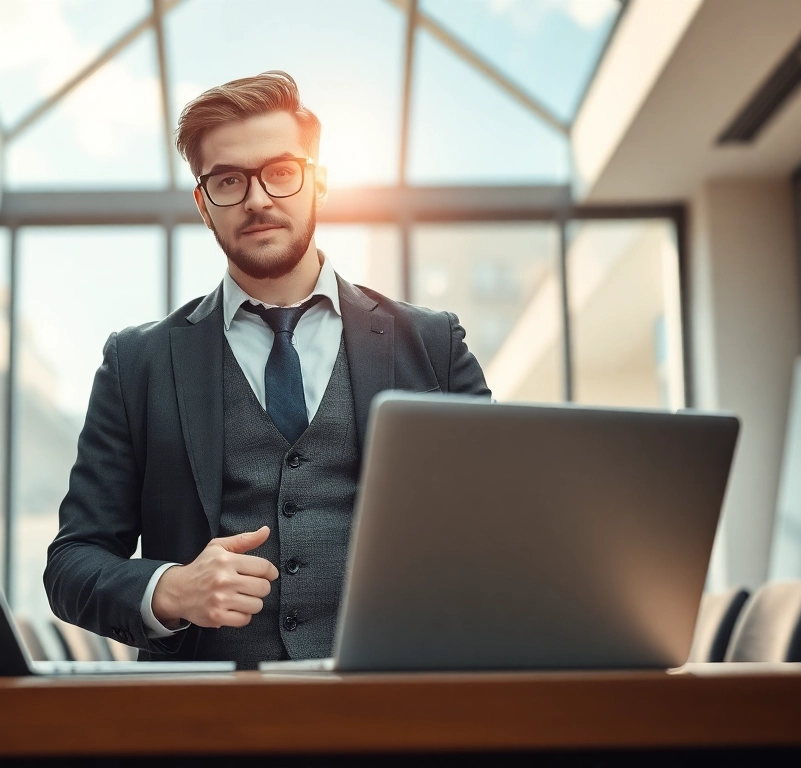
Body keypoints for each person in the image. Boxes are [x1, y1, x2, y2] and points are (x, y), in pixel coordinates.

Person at [44, 71, 490, 669]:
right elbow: (73, 562)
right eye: (229, 181)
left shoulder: (433, 344)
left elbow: (497, 532)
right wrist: (170, 588)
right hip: (205, 726)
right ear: (203, 205)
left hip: (398, 706)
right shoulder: (137, 363)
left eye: (280, 172)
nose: (258, 199)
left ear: (318, 183)